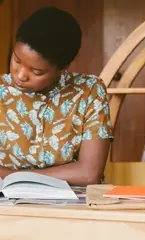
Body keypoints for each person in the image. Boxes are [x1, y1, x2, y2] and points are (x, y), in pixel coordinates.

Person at [0, 7, 113, 186]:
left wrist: (12, 175)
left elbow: (89, 173)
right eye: (16, 60)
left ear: (63, 67)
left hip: (70, 207)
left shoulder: (89, 91)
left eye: (37, 71)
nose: (20, 75)